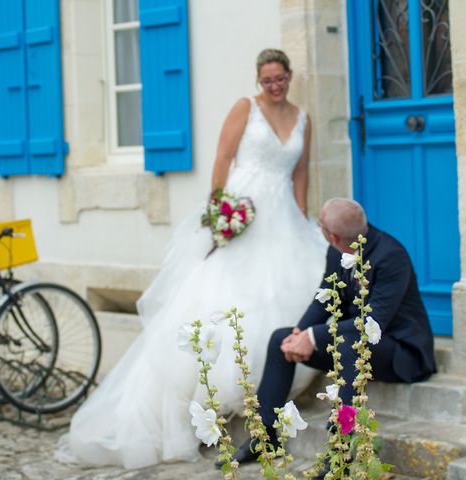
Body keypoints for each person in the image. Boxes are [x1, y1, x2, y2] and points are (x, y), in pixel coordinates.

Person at [55, 48, 328, 469]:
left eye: (281, 79)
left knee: (287, 291)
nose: (275, 86)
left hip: (284, 220)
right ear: (258, 80)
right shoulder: (245, 108)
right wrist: (219, 214)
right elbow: (222, 159)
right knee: (226, 298)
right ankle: (211, 402)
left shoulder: (302, 118)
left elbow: (300, 172)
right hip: (244, 213)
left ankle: (264, 386)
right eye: (267, 80)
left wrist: (304, 215)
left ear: (290, 76)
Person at [223, 198, 436, 477]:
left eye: (321, 225)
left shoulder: (391, 255)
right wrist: (300, 333)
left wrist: (312, 336)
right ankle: (265, 437)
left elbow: (372, 322)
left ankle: (341, 449)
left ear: (331, 234)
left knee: (348, 346)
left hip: (400, 351)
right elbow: (323, 298)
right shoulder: (337, 251)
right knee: (280, 339)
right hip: (354, 345)